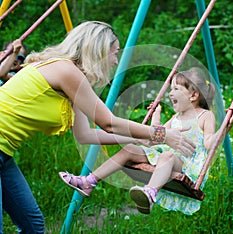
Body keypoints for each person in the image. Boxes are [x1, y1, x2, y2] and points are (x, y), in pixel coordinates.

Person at [0, 21, 196, 233]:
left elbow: (85, 135)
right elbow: (108, 122)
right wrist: (161, 134)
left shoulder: (69, 77)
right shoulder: (66, 71)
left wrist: (137, 138)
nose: (115, 61)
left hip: (4, 153)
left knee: (33, 226)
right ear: (98, 51)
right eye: (114, 53)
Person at [59, 67, 233, 215]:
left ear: (193, 96)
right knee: (130, 149)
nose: (170, 93)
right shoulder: (176, 117)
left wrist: (225, 128)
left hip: (186, 165)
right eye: (170, 89)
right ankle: (89, 181)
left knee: (167, 156)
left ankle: (150, 193)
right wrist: (157, 115)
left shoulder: (205, 116)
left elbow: (209, 144)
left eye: (176, 89)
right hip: (165, 158)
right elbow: (155, 138)